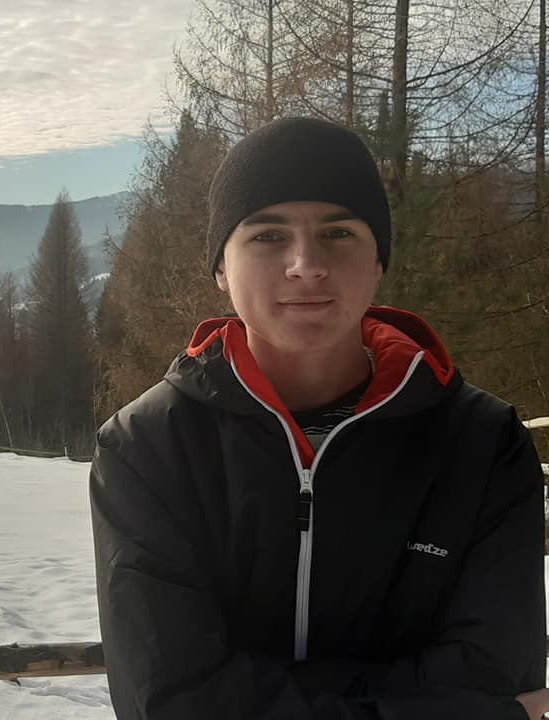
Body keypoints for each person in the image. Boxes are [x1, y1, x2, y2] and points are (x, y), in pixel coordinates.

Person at [90, 117, 548, 719]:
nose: (306, 263)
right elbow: (170, 700)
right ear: (221, 268)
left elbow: (493, 675)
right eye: (267, 235)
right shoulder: (147, 448)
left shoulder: (483, 445)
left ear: (378, 260)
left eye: (338, 232)